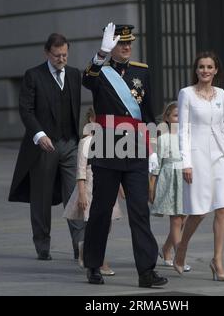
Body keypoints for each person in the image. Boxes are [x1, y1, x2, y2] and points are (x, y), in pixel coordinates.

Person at [81, 23, 168, 287]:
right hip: (108, 147)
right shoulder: (100, 72)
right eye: (121, 43)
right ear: (112, 46)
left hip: (137, 149)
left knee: (140, 211)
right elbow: (86, 80)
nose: (127, 47)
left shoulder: (142, 71)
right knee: (101, 211)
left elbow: (149, 110)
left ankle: (146, 271)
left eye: (129, 43)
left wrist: (152, 146)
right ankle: (93, 264)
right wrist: (101, 53)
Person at [9, 33, 85, 261]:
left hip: (70, 143)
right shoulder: (33, 76)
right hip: (43, 147)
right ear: (47, 53)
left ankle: (79, 246)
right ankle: (42, 245)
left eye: (65, 54)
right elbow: (26, 110)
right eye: (57, 55)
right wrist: (39, 134)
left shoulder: (73, 74)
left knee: (75, 195)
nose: (61, 59)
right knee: (41, 198)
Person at [175, 51, 224, 281]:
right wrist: (186, 162)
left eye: (210, 67)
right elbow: (183, 131)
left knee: (222, 207)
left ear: (216, 70)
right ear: (196, 70)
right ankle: (182, 247)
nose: (205, 71)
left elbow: (221, 127)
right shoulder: (186, 94)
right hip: (196, 156)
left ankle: (217, 260)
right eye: (201, 67)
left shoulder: (221, 94)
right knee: (198, 211)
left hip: (219, 155)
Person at [63, 107, 123, 275]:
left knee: (107, 224)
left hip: (107, 183)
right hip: (90, 185)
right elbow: (81, 169)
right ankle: (100, 261)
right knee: (96, 223)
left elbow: (113, 166)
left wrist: (120, 186)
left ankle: (85, 248)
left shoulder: (109, 140)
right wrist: (81, 193)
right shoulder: (86, 141)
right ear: (91, 119)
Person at [149, 102, 190, 272]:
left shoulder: (187, 136)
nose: (178, 119)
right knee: (176, 219)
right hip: (170, 179)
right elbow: (156, 165)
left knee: (183, 219)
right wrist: (151, 186)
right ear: (166, 118)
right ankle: (179, 257)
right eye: (175, 115)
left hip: (185, 179)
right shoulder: (163, 138)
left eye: (181, 116)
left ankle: (166, 248)